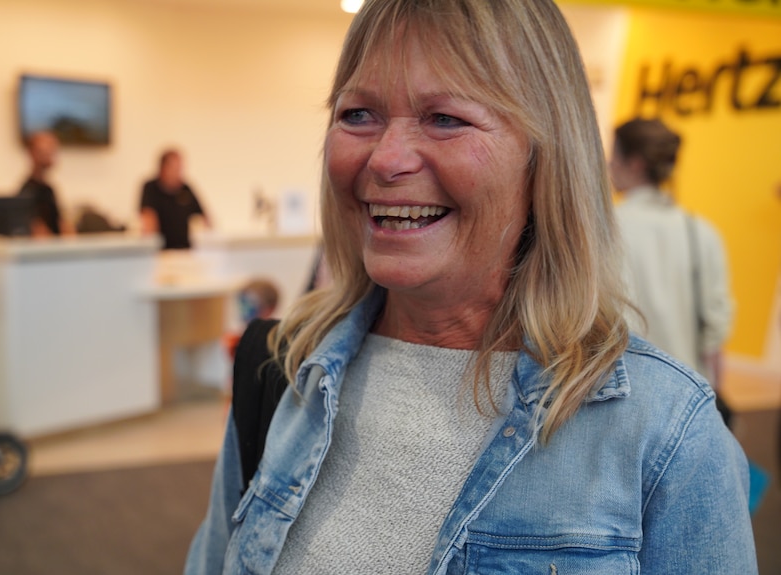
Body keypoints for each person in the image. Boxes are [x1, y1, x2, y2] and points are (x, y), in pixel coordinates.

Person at [185, 0, 757, 573]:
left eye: (445, 118)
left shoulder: (666, 433)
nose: (386, 159)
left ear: (545, 157)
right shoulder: (284, 369)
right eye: (358, 113)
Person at [610, 118, 734, 389]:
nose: (609, 165)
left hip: (619, 390)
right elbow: (714, 334)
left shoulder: (605, 226)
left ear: (635, 163)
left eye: (614, 155)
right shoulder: (702, 232)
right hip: (686, 394)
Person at [139, 149, 211, 250]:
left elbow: (205, 219)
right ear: (163, 168)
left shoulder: (185, 189)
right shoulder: (151, 188)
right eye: (175, 168)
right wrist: (151, 249)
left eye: (180, 168)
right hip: (161, 251)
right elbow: (148, 219)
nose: (179, 173)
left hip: (185, 251)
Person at [16, 131, 69, 236]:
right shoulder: (28, 192)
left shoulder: (48, 189)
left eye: (52, 150)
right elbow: (39, 234)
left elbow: (61, 225)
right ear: (32, 153)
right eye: (45, 151)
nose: (50, 154)